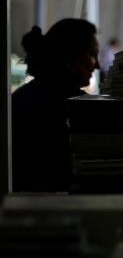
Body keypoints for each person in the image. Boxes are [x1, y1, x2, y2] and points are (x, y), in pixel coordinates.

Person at [12, 18, 100, 192]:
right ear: (70, 55)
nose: (97, 64)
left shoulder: (21, 97)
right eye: (92, 54)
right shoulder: (75, 107)